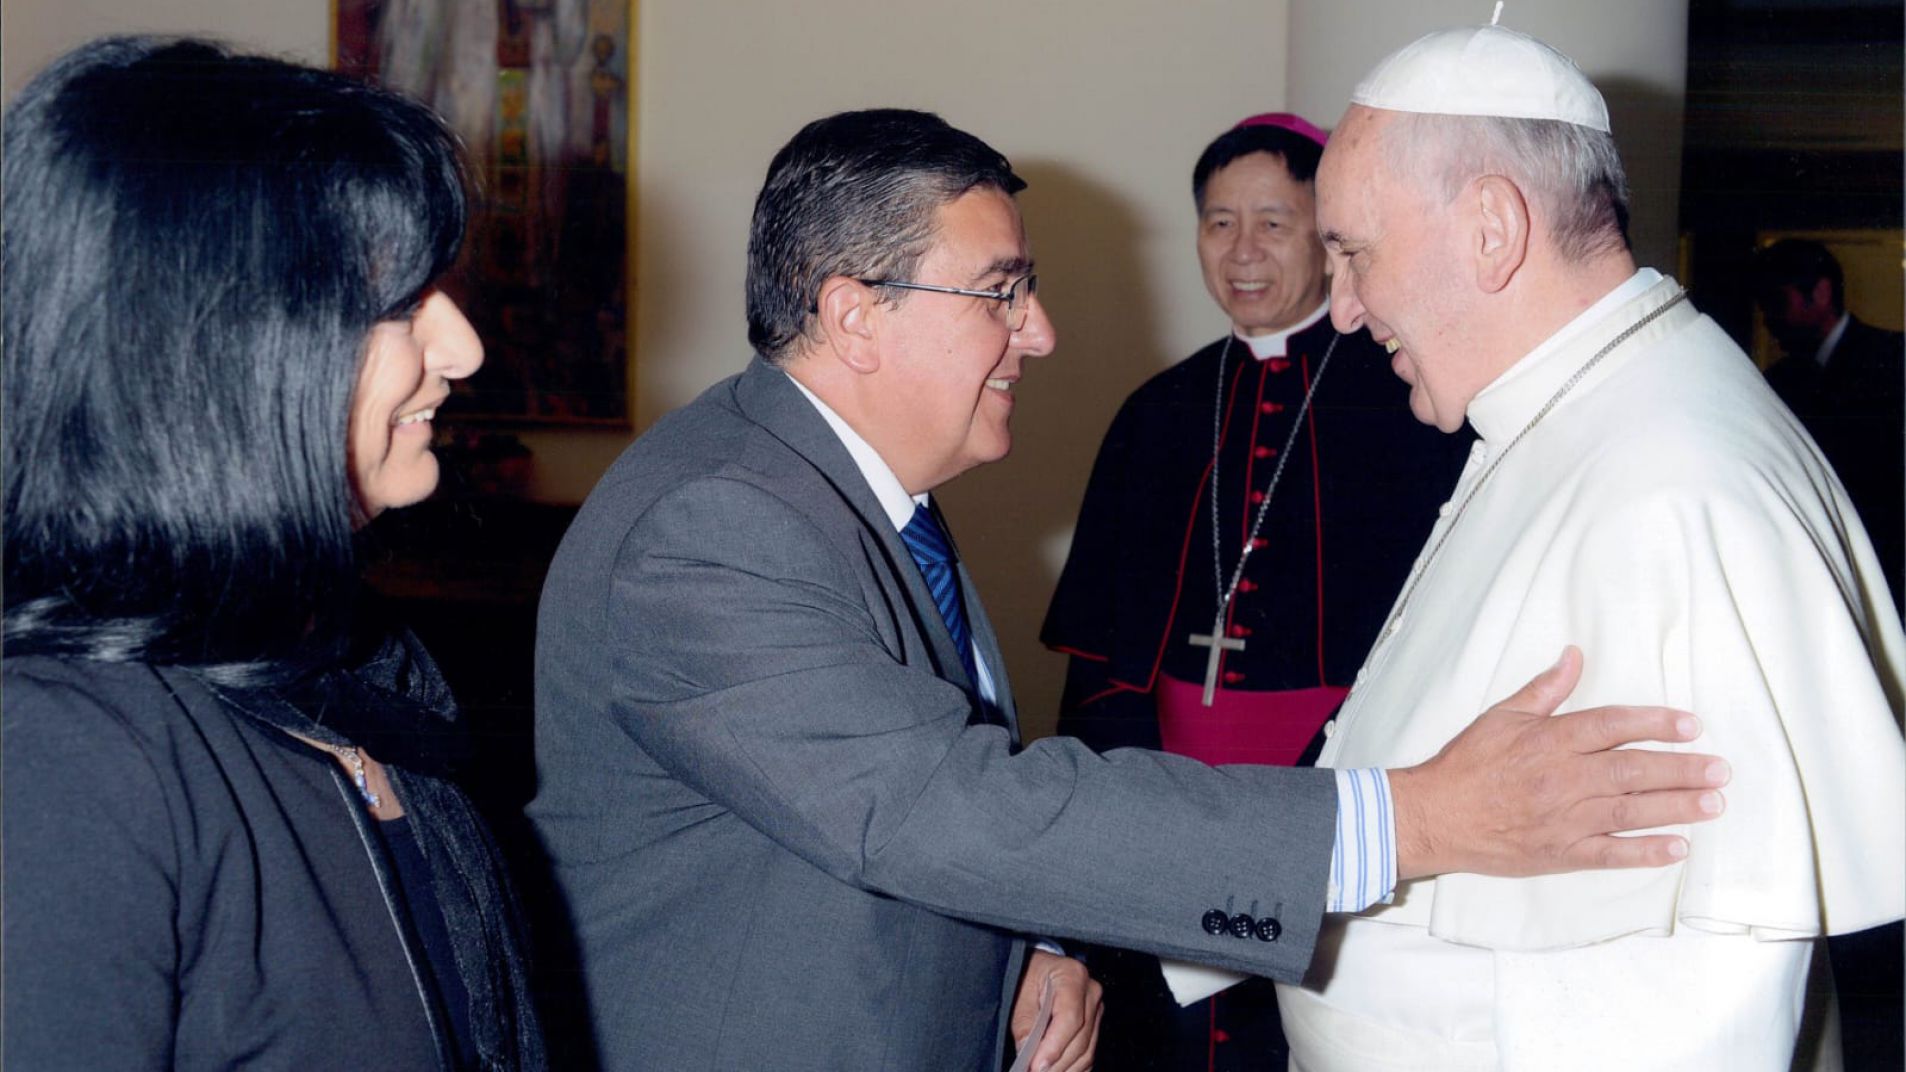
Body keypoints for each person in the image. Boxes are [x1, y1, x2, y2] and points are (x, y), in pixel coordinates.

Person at [529, 107, 1731, 1072]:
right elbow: (935, 805)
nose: (1040, 332)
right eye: (1000, 291)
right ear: (854, 315)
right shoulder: (714, 524)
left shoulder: (842, 490)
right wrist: (1409, 820)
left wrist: (1035, 944)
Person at [1275, 23, 1906, 1071]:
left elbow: (1693, 1000)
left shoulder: (1671, 492)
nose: (1339, 309)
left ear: (1489, 228)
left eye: (1352, 251)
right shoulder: (1587, 407)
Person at [2, 37, 544, 1071]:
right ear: (221, 347)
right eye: (398, 305)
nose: (463, 349)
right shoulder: (58, 759)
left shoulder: (348, 673)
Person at [1041, 112, 1468, 1070]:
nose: (1242, 251)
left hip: (1344, 815)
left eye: (1274, 223)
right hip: (1171, 814)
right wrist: (1133, 821)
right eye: (1218, 222)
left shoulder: (1412, 402)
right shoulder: (1158, 413)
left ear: (1329, 234)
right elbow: (1100, 666)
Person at [1753, 237, 1904, 615]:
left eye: (1777, 302)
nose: (1769, 319)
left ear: (1818, 294)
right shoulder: (1779, 381)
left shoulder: (1894, 360)